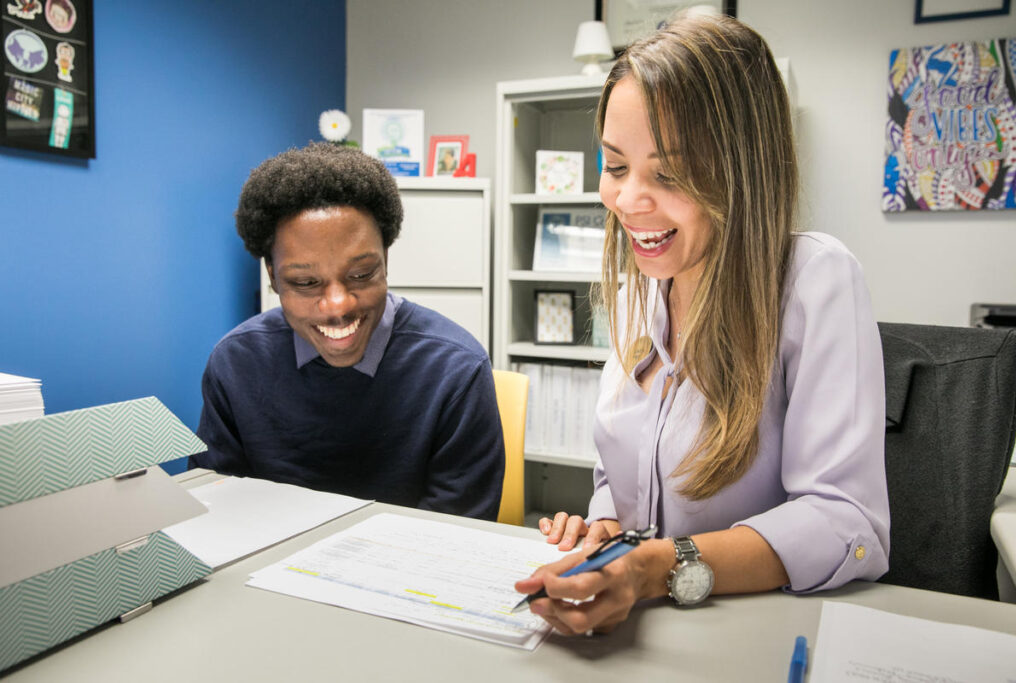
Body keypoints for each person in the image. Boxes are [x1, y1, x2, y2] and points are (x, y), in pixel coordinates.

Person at [514, 12, 889, 635]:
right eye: (614, 167)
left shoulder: (814, 281)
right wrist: (607, 528)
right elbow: (619, 473)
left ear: (744, 172)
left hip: (754, 636)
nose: (629, 201)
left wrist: (653, 568)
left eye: (668, 175)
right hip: (643, 629)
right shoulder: (642, 280)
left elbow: (847, 525)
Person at [189, 142, 505, 520]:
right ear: (273, 277)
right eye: (306, 282)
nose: (338, 306)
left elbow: (458, 533)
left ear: (385, 258)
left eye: (360, 275)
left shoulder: (455, 370)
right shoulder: (235, 363)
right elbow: (215, 506)